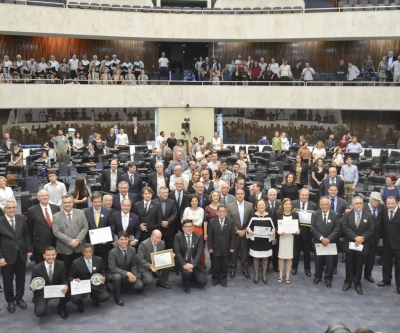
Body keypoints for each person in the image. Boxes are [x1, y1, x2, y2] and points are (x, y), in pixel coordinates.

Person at [0, 199, 32, 313]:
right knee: (8, 280)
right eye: (9, 208)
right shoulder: (1, 221)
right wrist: (0, 257)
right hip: (6, 257)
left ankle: (19, 298)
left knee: (21, 278)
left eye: (14, 207)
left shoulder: (21, 218)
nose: (12, 209)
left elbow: (26, 235)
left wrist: (29, 249)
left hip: (21, 254)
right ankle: (10, 301)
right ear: (4, 210)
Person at [341, 197, 374, 295]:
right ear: (353, 205)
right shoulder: (347, 215)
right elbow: (345, 227)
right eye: (356, 203)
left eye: (360, 203)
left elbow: (371, 229)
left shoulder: (368, 215)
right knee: (349, 263)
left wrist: (362, 238)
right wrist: (355, 237)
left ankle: (357, 283)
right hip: (350, 243)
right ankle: (348, 281)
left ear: (363, 204)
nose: (359, 205)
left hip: (362, 244)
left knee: (359, 264)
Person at [52, 194, 89, 274]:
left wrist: (77, 241)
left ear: (73, 203)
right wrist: (70, 241)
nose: (67, 204)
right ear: (62, 203)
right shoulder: (56, 216)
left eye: (69, 202)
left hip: (79, 248)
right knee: (66, 272)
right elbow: (56, 232)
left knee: (80, 271)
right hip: (64, 249)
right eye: (65, 203)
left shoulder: (81, 212)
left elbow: (85, 227)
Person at [29, 246, 69, 319]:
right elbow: (32, 283)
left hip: (57, 289)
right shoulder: (36, 268)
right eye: (48, 255)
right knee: (39, 312)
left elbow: (64, 279)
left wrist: (65, 286)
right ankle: (43, 305)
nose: (51, 257)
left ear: (56, 254)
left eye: (53, 254)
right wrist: (32, 287)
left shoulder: (61, 264)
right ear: (44, 255)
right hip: (43, 292)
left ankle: (61, 308)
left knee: (68, 290)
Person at [69, 243, 110, 312]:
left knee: (106, 297)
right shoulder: (76, 263)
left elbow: (102, 272)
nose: (88, 254)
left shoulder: (98, 260)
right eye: (86, 252)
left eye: (90, 252)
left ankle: (95, 298)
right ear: (83, 252)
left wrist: (103, 277)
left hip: (95, 284)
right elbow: (70, 276)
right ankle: (80, 304)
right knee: (75, 299)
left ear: (93, 252)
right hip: (82, 286)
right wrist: (74, 279)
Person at [107, 231, 144, 305]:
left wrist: (134, 275)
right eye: (121, 239)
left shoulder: (132, 250)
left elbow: (133, 264)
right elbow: (112, 268)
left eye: (126, 239)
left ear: (128, 240)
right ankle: (117, 297)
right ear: (118, 240)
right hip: (115, 274)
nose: (124, 241)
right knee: (117, 277)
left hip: (127, 274)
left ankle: (123, 286)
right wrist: (127, 273)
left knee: (139, 286)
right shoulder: (112, 252)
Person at [311, 198, 341, 288]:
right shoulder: (315, 214)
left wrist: (328, 239)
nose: (324, 206)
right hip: (318, 242)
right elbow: (313, 228)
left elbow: (337, 228)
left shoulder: (335, 215)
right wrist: (321, 238)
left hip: (330, 243)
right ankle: (317, 276)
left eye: (326, 204)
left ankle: (328, 278)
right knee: (318, 261)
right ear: (320, 205)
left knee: (329, 262)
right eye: (322, 204)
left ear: (329, 205)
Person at [26, 189, 60, 264]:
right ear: (38, 198)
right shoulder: (31, 211)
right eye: (42, 196)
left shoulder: (56, 208)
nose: (45, 197)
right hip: (40, 246)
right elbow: (29, 230)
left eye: (46, 195)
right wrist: (29, 247)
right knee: (41, 268)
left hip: (56, 244)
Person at [174, 219, 207, 293]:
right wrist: (184, 264)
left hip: (195, 263)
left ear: (193, 227)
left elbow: (199, 253)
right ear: (182, 228)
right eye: (186, 227)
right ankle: (186, 284)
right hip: (183, 263)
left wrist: (193, 265)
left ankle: (192, 275)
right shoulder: (178, 236)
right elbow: (177, 252)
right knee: (186, 273)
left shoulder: (198, 237)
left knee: (203, 282)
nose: (188, 228)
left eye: (190, 226)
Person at [246, 199, 275, 284]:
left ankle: (264, 275)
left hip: (266, 241)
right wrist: (250, 231)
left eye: (263, 205)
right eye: (259, 205)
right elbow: (248, 227)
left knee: (265, 258)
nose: (261, 206)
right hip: (256, 241)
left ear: (265, 206)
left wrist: (272, 232)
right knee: (256, 258)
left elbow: (273, 228)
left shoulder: (269, 216)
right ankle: (256, 275)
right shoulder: (253, 216)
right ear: (256, 206)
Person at [226, 189, 253, 280]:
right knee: (233, 252)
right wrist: (237, 231)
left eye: (242, 194)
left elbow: (251, 220)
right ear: (235, 195)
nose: (240, 195)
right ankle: (233, 269)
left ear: (244, 194)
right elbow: (229, 221)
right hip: (234, 234)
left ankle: (245, 269)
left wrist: (245, 230)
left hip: (245, 233)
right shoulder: (230, 206)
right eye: (238, 194)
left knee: (245, 253)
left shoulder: (250, 205)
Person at [291, 189, 318, 277]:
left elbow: (316, 218)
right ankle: (294, 267)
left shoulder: (313, 205)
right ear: (299, 196)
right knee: (296, 252)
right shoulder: (293, 204)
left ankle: (307, 269)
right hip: (296, 232)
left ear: (308, 196)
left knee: (307, 253)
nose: (304, 197)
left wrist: (313, 225)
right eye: (302, 195)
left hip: (308, 233)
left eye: (306, 195)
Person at [208, 205, 235, 287]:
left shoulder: (230, 221)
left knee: (224, 265)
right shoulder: (212, 222)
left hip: (226, 248)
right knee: (215, 265)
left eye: (224, 211)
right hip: (215, 247)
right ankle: (215, 279)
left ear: (226, 212)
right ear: (217, 212)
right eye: (220, 211)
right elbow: (210, 236)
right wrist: (210, 247)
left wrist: (231, 247)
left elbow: (232, 236)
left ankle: (223, 279)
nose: (222, 213)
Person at [83, 192, 112, 269]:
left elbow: (111, 226)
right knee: (92, 263)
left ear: (102, 201)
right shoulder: (85, 212)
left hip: (104, 244)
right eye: (95, 202)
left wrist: (107, 238)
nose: (97, 204)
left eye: (99, 202)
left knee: (104, 263)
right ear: (91, 202)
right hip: (90, 244)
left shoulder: (108, 211)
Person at [378, 196, 400, 294]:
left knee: (399, 265)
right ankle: (386, 280)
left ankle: (399, 284)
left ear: (397, 203)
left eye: (392, 203)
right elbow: (382, 225)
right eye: (388, 204)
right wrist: (381, 237)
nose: (390, 205)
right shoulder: (384, 211)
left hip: (398, 243)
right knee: (386, 262)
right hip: (386, 242)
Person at [275, 198, 300, 284]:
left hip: (291, 239)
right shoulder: (278, 214)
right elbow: (274, 227)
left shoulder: (295, 214)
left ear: (291, 205)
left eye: (289, 204)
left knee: (289, 257)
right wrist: (277, 232)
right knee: (281, 257)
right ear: (282, 205)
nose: (288, 206)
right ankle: (281, 274)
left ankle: (288, 275)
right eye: (286, 204)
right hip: (282, 239)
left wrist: (298, 231)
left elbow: (298, 226)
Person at [362, 192, 384, 284]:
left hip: (375, 238)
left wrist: (381, 236)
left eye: (378, 201)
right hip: (363, 237)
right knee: (360, 257)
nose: (376, 203)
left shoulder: (381, 208)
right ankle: (356, 274)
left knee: (371, 258)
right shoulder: (363, 207)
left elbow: (383, 223)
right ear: (370, 200)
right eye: (374, 201)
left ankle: (368, 274)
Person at [182, 194, 205, 268]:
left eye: (196, 201)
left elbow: (200, 222)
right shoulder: (186, 209)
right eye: (192, 201)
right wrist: (191, 224)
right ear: (190, 202)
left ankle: (201, 264)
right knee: (188, 247)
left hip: (198, 230)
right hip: (187, 230)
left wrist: (190, 224)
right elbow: (184, 221)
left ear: (198, 202)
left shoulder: (201, 210)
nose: (194, 202)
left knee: (199, 248)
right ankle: (188, 263)